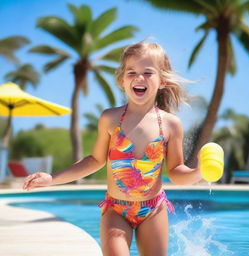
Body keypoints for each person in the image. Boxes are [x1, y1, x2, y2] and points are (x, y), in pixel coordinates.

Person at [23, 41, 202, 256]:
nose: (139, 78)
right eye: (131, 72)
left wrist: (198, 172)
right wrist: (53, 179)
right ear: (122, 80)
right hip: (116, 210)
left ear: (162, 80)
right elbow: (95, 160)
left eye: (148, 72)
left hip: (153, 209)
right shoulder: (110, 118)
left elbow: (176, 171)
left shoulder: (171, 124)